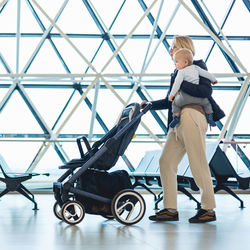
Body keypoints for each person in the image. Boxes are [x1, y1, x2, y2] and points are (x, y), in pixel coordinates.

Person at [142, 36, 219, 223]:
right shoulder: (176, 72)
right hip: (176, 123)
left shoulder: (198, 66)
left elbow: (205, 92)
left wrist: (181, 79)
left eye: (172, 47)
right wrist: (149, 104)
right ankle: (170, 209)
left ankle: (208, 209)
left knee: (197, 162)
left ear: (183, 48)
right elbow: (170, 99)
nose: (169, 50)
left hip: (192, 116)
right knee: (166, 162)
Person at [168, 48, 218, 128]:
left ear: (185, 62)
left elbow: (176, 84)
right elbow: (207, 74)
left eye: (176, 62)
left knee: (175, 104)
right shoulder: (196, 68)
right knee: (207, 104)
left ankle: (176, 118)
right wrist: (214, 80)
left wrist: (171, 95)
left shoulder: (181, 72)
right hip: (198, 99)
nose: (175, 64)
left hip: (185, 98)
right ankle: (209, 118)